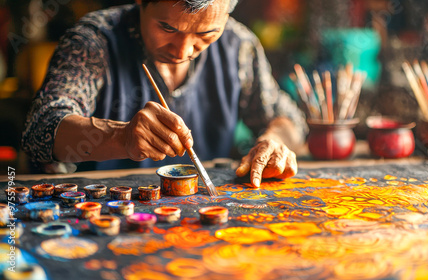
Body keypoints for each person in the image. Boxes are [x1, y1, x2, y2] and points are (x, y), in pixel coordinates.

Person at [21, 0, 307, 188]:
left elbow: (290, 121)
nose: (183, 51)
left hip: (204, 217)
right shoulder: (95, 40)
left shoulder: (238, 45)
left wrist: (275, 141)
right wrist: (122, 137)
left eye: (206, 35)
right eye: (167, 27)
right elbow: (39, 130)